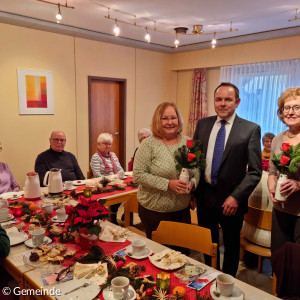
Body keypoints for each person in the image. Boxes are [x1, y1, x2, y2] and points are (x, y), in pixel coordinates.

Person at [193, 82, 262, 277]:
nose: (222, 104)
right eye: (218, 99)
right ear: (214, 101)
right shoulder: (203, 124)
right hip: (205, 196)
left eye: (228, 99)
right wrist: (193, 192)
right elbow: (195, 162)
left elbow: (255, 171)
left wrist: (236, 197)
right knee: (208, 242)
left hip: (232, 201)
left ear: (237, 102)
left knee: (231, 246)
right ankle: (208, 275)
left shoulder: (250, 129)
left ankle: (228, 283)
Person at [133, 102, 200, 240]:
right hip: (154, 210)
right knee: (158, 254)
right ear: (158, 121)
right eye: (165, 118)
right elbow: (138, 175)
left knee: (182, 253)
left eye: (173, 118)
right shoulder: (148, 144)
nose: (170, 122)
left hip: (182, 210)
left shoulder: (188, 143)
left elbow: (197, 169)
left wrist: (193, 182)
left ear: (179, 120)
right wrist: (168, 184)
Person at [267, 87, 300, 253]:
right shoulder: (277, 139)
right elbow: (272, 172)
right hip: (280, 209)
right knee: (279, 258)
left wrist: (297, 184)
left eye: (297, 107)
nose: (291, 112)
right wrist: (272, 187)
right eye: (287, 108)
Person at [90, 133, 124, 224]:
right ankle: (112, 214)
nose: (108, 146)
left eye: (109, 144)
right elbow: (97, 175)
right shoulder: (96, 157)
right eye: (105, 143)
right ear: (98, 144)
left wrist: (120, 176)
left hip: (116, 181)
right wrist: (111, 180)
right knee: (118, 192)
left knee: (127, 191)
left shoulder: (113, 155)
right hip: (104, 184)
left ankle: (121, 214)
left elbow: (120, 169)